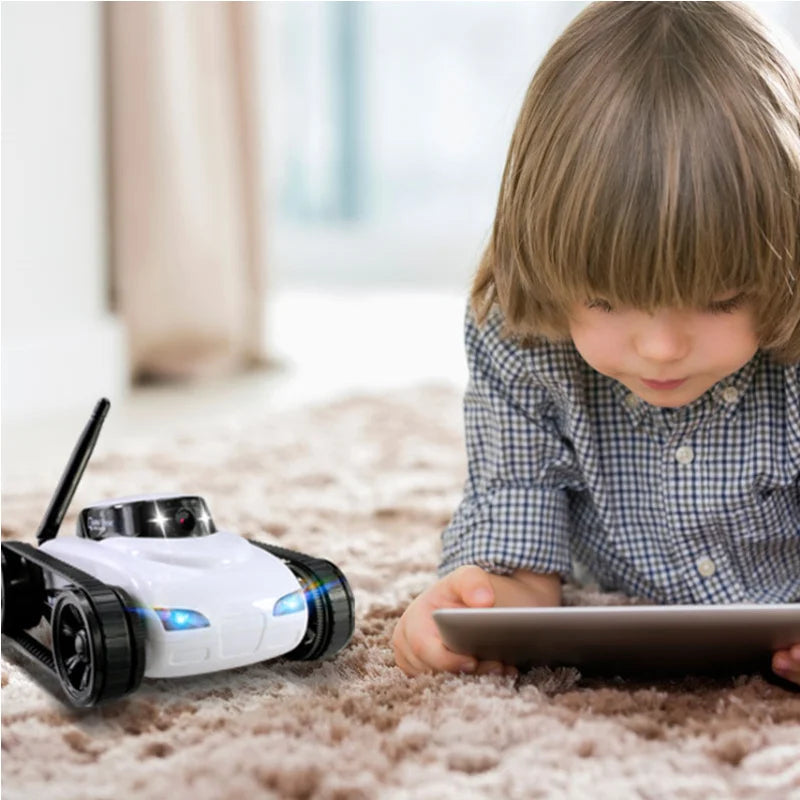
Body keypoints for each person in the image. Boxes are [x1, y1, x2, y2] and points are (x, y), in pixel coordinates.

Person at [392, 1, 800, 684]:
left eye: (721, 299)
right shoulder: (523, 339)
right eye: (607, 301)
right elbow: (516, 542)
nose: (663, 347)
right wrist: (478, 611)